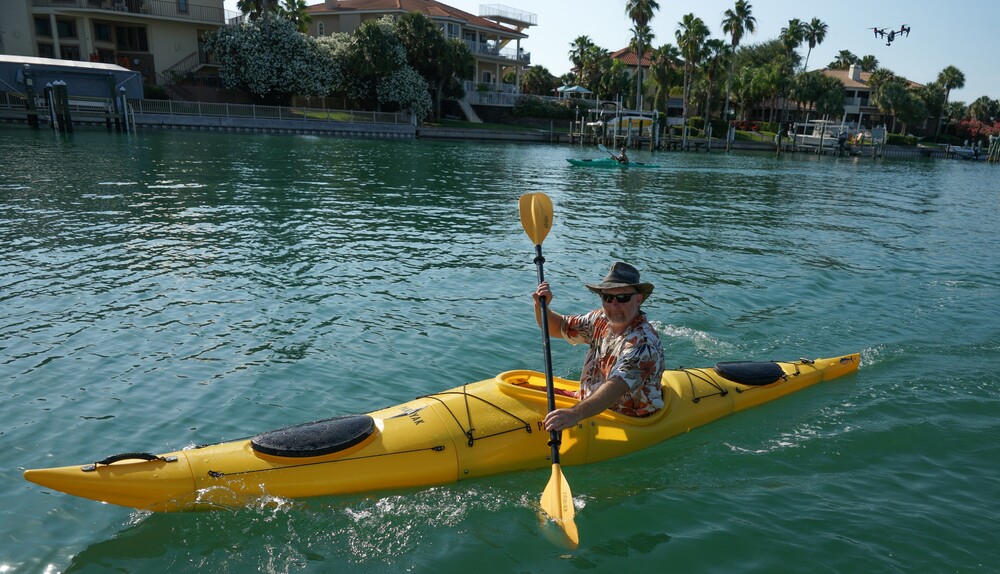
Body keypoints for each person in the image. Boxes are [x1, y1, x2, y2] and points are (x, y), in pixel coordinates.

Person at [532, 262, 665, 432]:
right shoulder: (600, 319)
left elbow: (615, 387)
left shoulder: (643, 344)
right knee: (521, 386)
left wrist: (574, 414)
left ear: (638, 299)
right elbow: (557, 327)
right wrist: (541, 306)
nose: (613, 305)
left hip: (628, 417)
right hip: (590, 403)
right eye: (607, 298)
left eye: (622, 298)